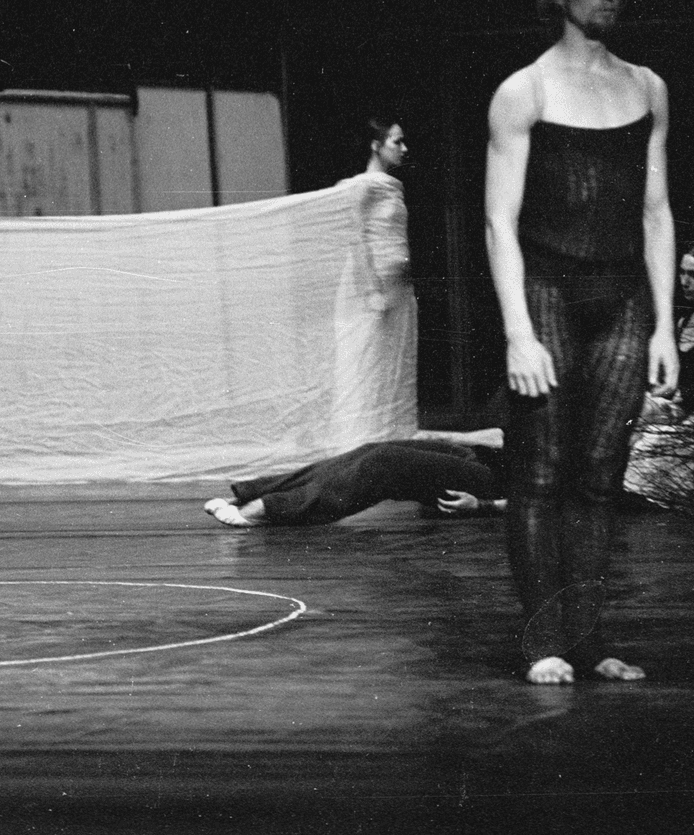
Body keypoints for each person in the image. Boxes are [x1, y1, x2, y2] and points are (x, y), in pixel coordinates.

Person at [483, 0, 678, 685]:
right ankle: (544, 643)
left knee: (600, 476)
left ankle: (589, 641)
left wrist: (665, 324)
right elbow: (499, 221)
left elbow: (656, 211)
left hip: (622, 296)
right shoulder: (524, 91)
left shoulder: (648, 87)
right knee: (539, 473)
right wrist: (517, 333)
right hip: (546, 291)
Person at [624, 242, 694, 509]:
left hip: (689, 417)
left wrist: (680, 430)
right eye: (682, 273)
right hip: (668, 408)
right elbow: (670, 382)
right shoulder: (683, 322)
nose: (685, 282)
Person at [203, 430, 505, 527]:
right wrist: (440, 436)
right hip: (482, 458)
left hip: (494, 484)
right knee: (371, 450)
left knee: (384, 461)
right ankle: (249, 494)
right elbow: (503, 435)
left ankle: (267, 508)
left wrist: (485, 506)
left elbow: (537, 500)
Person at [328, 117, 418, 443]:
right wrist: (371, 290)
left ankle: (387, 439)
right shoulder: (363, 186)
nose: (403, 148)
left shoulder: (393, 186)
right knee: (366, 363)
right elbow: (355, 237)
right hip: (373, 288)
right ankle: (358, 440)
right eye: (396, 141)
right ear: (376, 145)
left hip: (397, 287)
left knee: (391, 367)